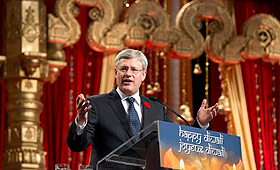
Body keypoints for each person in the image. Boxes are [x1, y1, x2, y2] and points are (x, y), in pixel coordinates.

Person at [66, 49, 218, 169]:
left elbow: (176, 146)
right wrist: (80, 122)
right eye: (124, 69)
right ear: (115, 73)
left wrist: (200, 124)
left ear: (143, 75)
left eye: (134, 69)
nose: (128, 74)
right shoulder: (97, 104)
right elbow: (77, 145)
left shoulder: (157, 108)